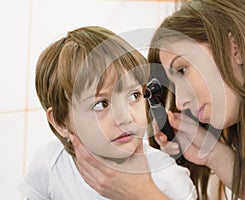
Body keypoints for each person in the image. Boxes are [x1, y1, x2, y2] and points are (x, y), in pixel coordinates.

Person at [67, 0, 245, 199]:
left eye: (182, 70)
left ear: (234, 47)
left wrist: (145, 194)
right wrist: (212, 155)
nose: (179, 104)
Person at [18, 26, 198, 200]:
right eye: (101, 104)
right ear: (60, 122)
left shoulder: (167, 177)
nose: (126, 118)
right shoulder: (51, 166)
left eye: (134, 95)